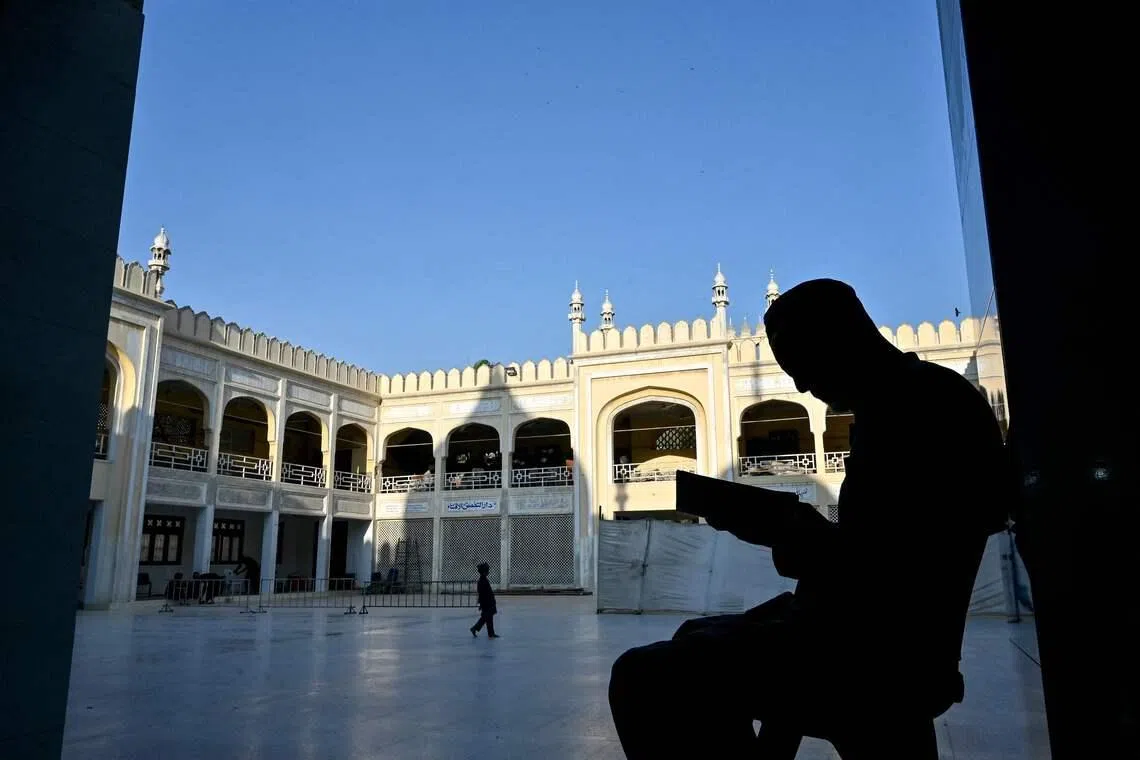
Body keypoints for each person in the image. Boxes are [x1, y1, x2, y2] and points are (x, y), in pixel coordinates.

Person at [608, 279, 1008, 758]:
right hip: (875, 633)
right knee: (696, 634)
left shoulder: (915, 411)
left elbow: (892, 567)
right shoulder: (914, 400)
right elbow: (882, 548)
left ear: (838, 339)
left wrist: (789, 529)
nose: (800, 385)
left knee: (641, 674)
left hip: (882, 655)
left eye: (802, 365)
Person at [469, 562, 500, 638]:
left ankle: (490, 633)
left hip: (488, 603)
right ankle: (476, 628)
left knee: (487, 618)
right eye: (487, 571)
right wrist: (482, 604)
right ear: (484, 572)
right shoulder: (482, 581)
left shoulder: (483, 580)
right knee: (486, 618)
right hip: (487, 603)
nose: (488, 572)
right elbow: (482, 594)